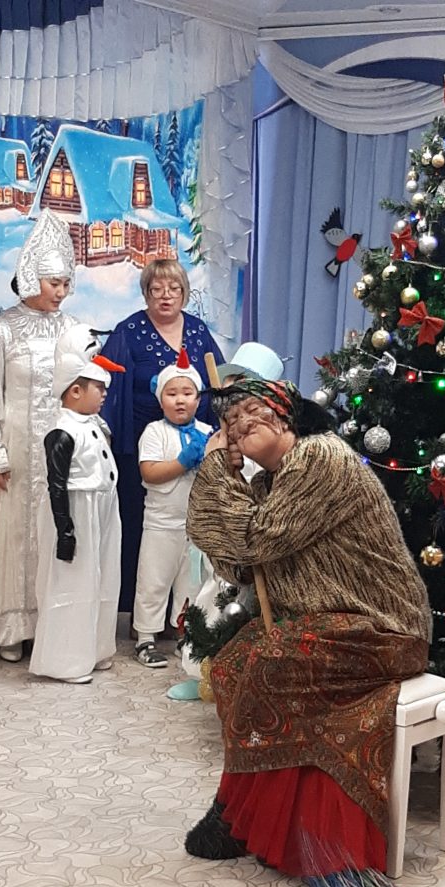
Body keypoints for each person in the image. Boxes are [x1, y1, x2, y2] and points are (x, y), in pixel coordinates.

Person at [184, 377, 432, 887]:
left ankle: (325, 844)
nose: (239, 425)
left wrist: (220, 480)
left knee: (276, 663)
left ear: (285, 415)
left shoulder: (322, 458)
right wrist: (222, 476)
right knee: (231, 665)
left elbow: (258, 539)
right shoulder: (268, 483)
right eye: (229, 422)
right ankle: (243, 814)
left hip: (381, 627)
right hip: (323, 622)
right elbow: (241, 565)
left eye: (251, 411)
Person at [0, 210, 78, 662]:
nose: (61, 292)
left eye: (66, 284)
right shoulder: (1, 327)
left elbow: (79, 389)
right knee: (12, 534)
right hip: (15, 448)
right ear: (31, 279)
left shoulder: (71, 328)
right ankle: (9, 625)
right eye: (54, 283)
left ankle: (47, 623)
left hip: (58, 448)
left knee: (52, 529)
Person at [101, 258, 224, 616]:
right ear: (146, 294)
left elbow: (218, 383)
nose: (166, 296)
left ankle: (184, 616)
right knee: (141, 530)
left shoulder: (198, 331)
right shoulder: (128, 331)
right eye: (157, 290)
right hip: (140, 445)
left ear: (184, 293)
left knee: (189, 533)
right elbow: (108, 388)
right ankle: (140, 615)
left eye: (173, 289)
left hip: (195, 445)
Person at [170, 341, 285, 702]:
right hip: (217, 539)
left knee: (239, 605)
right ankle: (200, 671)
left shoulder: (268, 439)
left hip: (247, 540)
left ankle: (235, 675)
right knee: (207, 599)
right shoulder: (220, 437)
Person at [30, 324, 124, 685]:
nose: (104, 394)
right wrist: (65, 529)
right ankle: (65, 660)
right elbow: (56, 484)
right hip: (77, 508)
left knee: (102, 579)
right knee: (73, 583)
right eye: (98, 388)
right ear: (75, 390)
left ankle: (95, 648)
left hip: (102, 506)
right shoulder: (62, 431)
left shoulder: (92, 424)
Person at [133, 348, 212, 668]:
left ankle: (186, 636)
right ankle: (145, 637)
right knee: (153, 580)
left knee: (191, 584)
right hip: (161, 523)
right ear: (160, 398)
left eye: (187, 393)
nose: (180, 400)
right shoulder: (154, 432)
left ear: (198, 399)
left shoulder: (207, 434)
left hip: (195, 526)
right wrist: (183, 462)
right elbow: (149, 472)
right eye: (172, 393)